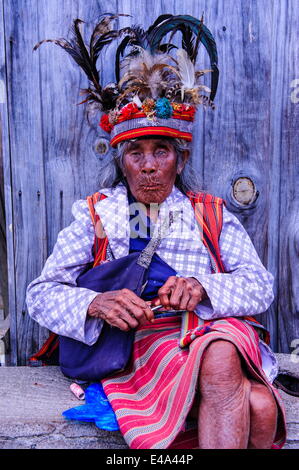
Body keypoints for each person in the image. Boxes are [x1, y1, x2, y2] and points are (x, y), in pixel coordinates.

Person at [26, 14, 286, 449]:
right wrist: (96, 303)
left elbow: (261, 286)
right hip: (144, 342)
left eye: (161, 151)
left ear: (179, 160)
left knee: (221, 354)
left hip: (211, 328)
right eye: (135, 153)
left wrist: (202, 287)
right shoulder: (96, 216)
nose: (148, 166)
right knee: (259, 408)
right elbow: (40, 293)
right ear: (121, 161)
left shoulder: (211, 215)